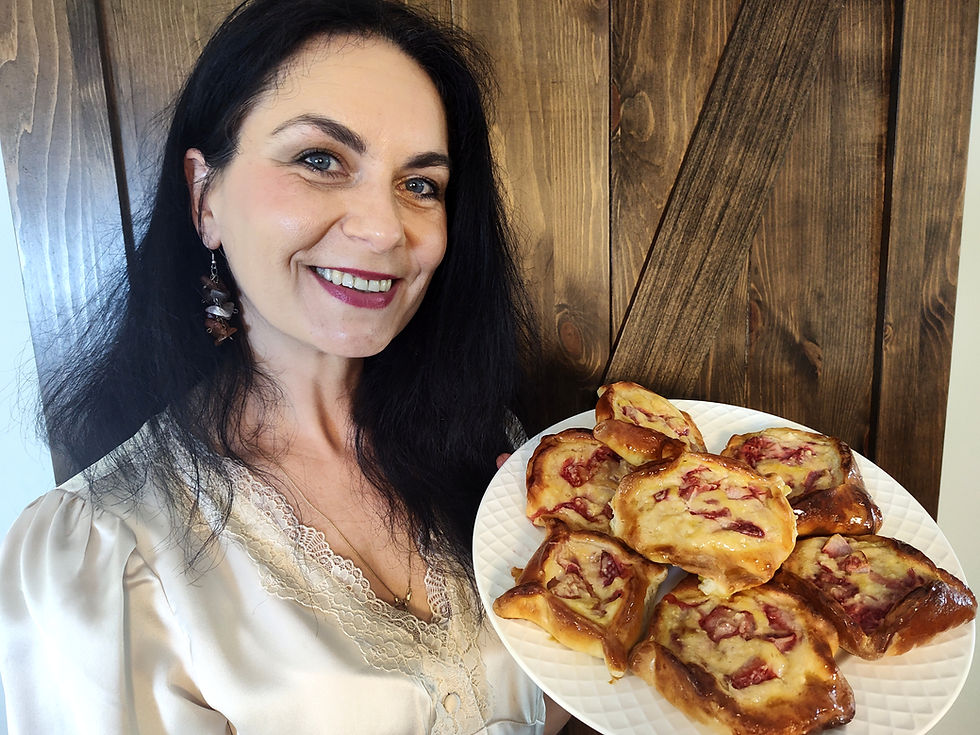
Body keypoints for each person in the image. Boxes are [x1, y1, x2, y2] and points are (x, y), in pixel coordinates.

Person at [0, 1, 568, 732]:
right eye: (320, 160)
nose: (384, 226)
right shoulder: (102, 553)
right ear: (205, 196)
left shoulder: (494, 451)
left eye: (420, 184)